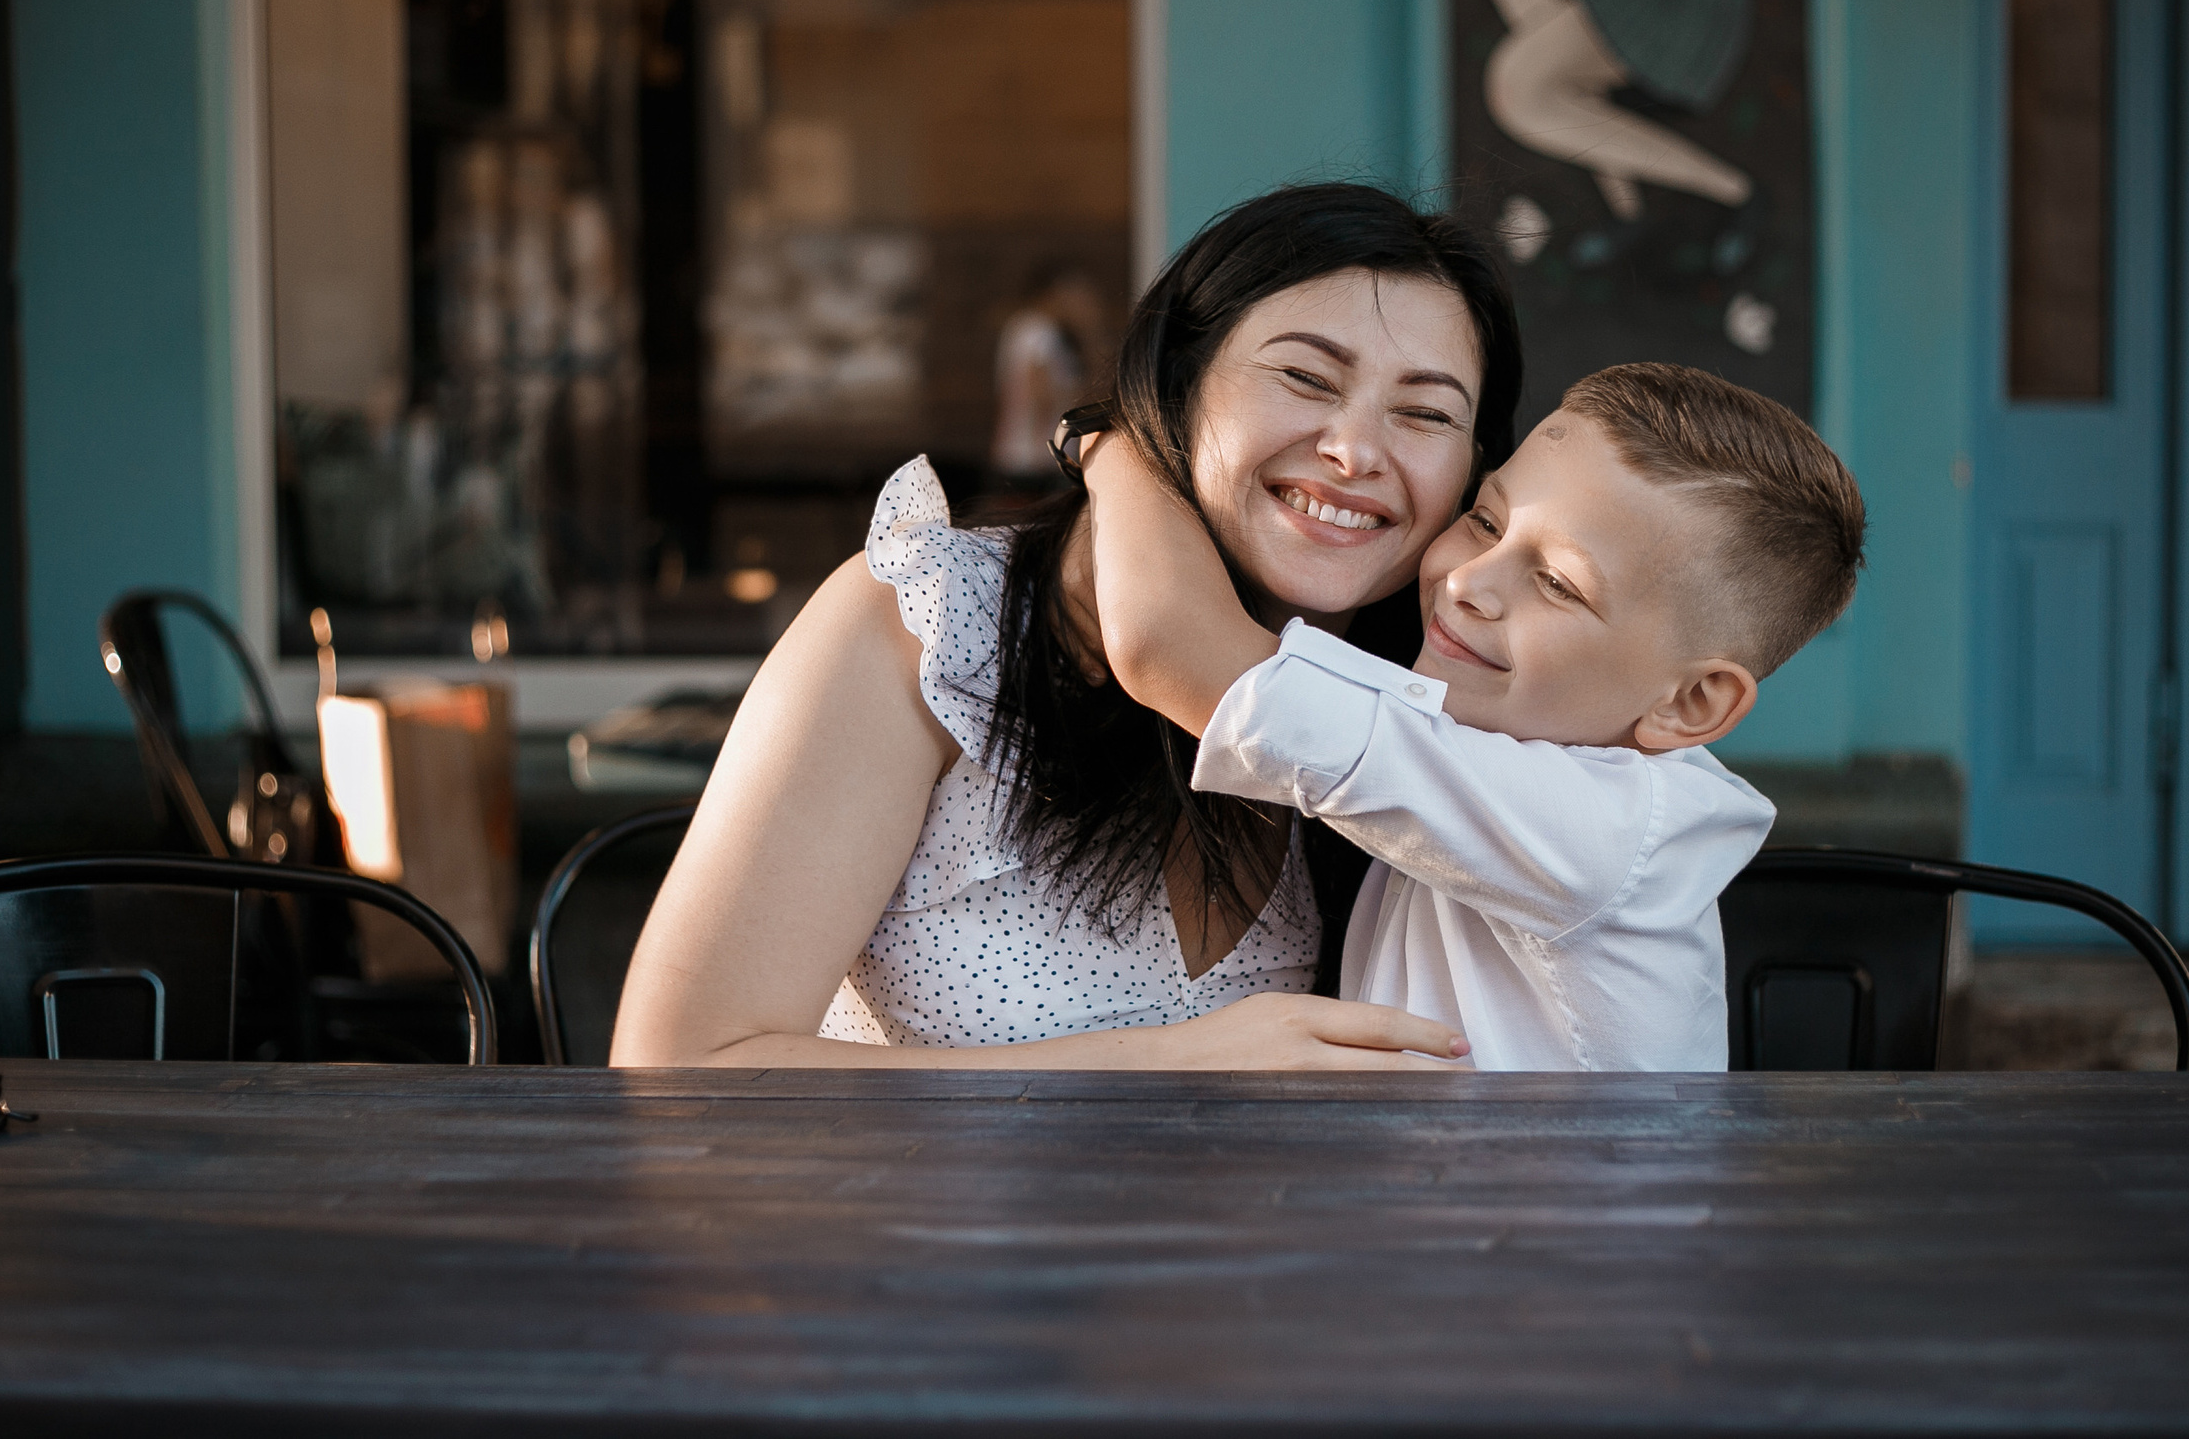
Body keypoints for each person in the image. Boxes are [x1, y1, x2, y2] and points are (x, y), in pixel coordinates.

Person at [611, 184, 1524, 1069]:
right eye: (1304, 375)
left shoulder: (1403, 710)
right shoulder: (938, 624)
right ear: (1179, 380)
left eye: (1424, 413)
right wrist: (1167, 1064)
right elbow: (680, 1063)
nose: (1356, 451)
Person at [1080, 361, 1866, 1070]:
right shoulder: (1509, 738)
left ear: (1690, 703)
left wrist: (1107, 444)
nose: (1469, 583)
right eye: (1486, 520)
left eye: (1558, 582)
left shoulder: (1607, 829)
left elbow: (1169, 645)